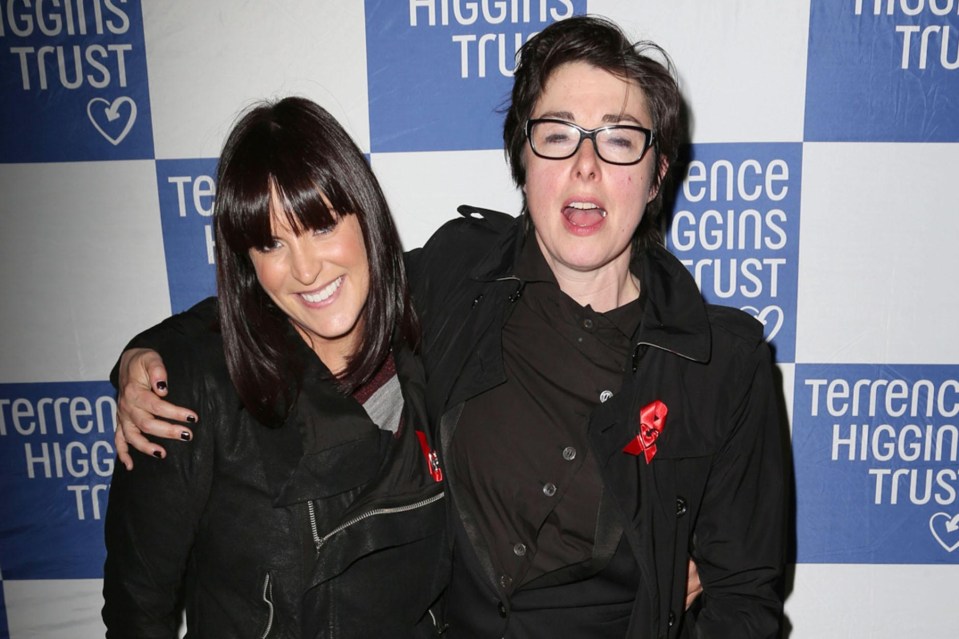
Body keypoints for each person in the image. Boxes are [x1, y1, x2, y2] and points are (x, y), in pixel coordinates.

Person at [112, 16, 785, 638]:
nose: (585, 165)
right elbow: (306, 289)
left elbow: (743, 600)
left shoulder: (722, 362)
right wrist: (151, 355)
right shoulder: (456, 275)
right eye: (556, 135)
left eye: (618, 139)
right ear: (523, 163)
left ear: (657, 171)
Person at [101, 97, 448, 638]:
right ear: (247, 259)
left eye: (321, 226)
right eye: (271, 242)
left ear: (365, 214)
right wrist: (140, 355)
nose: (306, 269)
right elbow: (137, 608)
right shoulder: (187, 392)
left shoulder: (433, 338)